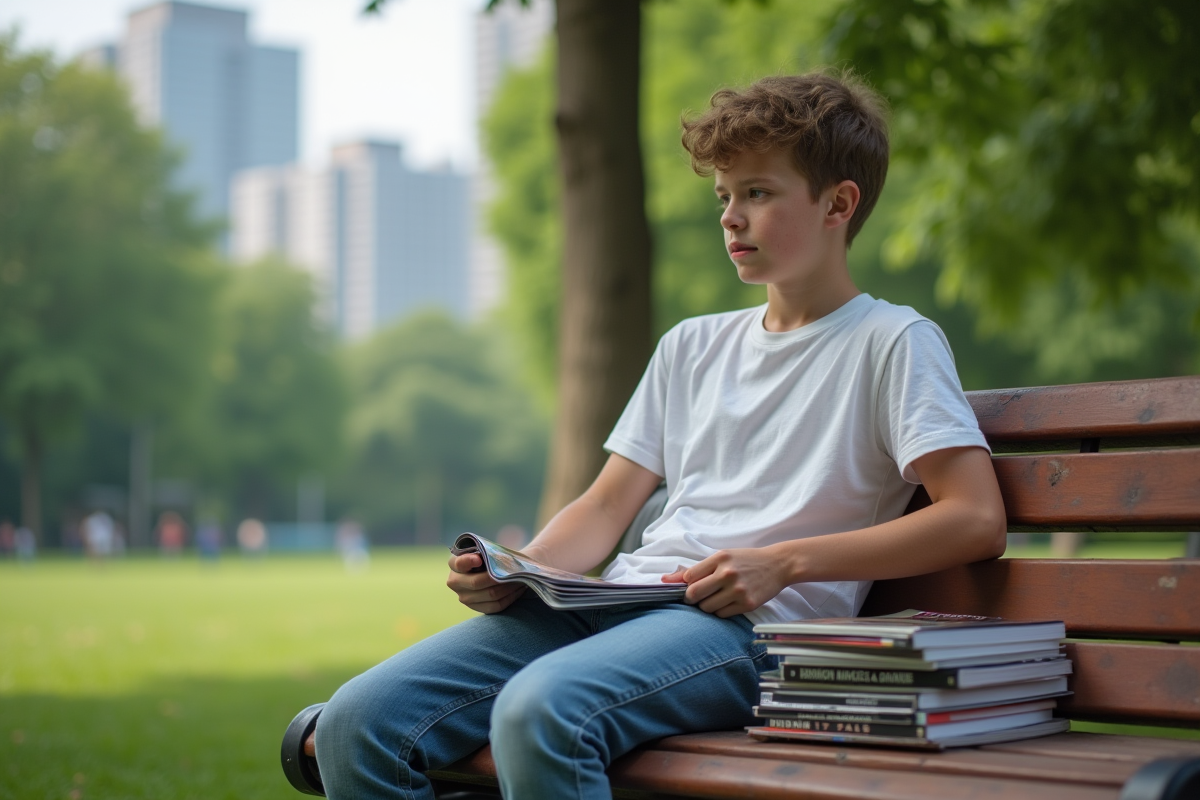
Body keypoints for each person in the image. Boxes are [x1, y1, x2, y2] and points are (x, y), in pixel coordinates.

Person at [313, 71, 1006, 800]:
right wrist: (523, 569)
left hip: (751, 630)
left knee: (542, 709)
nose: (731, 217)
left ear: (838, 203)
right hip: (616, 606)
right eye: (724, 196)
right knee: (357, 723)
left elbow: (974, 518)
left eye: (758, 193)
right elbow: (610, 506)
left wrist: (785, 563)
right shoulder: (692, 345)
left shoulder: (894, 341)